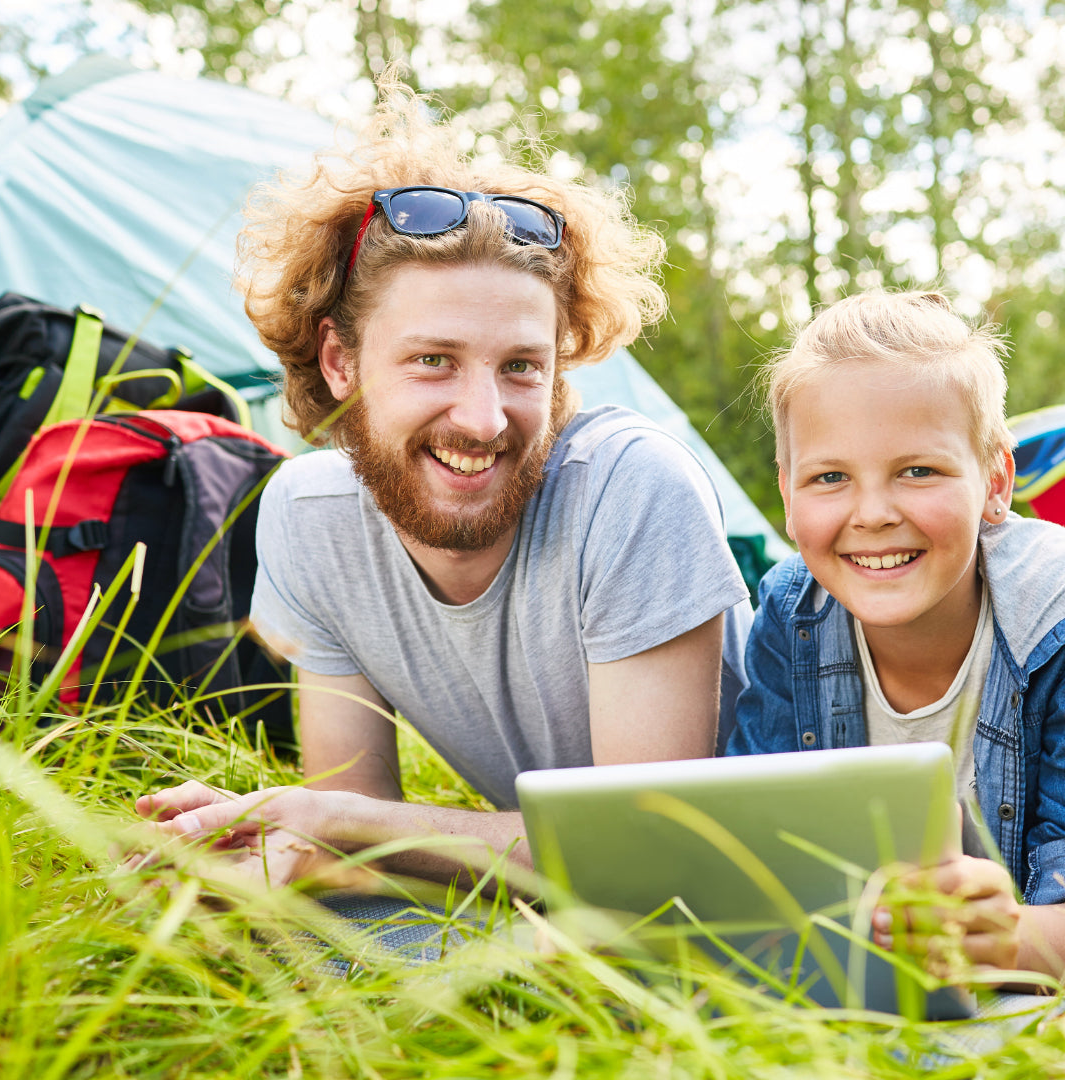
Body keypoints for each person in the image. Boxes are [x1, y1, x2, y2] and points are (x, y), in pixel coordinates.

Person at [136, 81, 753, 892]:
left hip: (799, 897)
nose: (486, 419)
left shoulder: (630, 488)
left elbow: (653, 855)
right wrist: (257, 849)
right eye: (434, 360)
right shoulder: (308, 516)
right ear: (340, 361)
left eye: (522, 367)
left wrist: (337, 827)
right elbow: (356, 823)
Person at [726, 290, 1065, 982]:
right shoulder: (790, 618)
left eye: (918, 471)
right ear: (788, 495)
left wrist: (1007, 937)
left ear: (996, 482)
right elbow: (749, 848)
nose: (874, 513)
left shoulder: (1053, 627)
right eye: (830, 477)